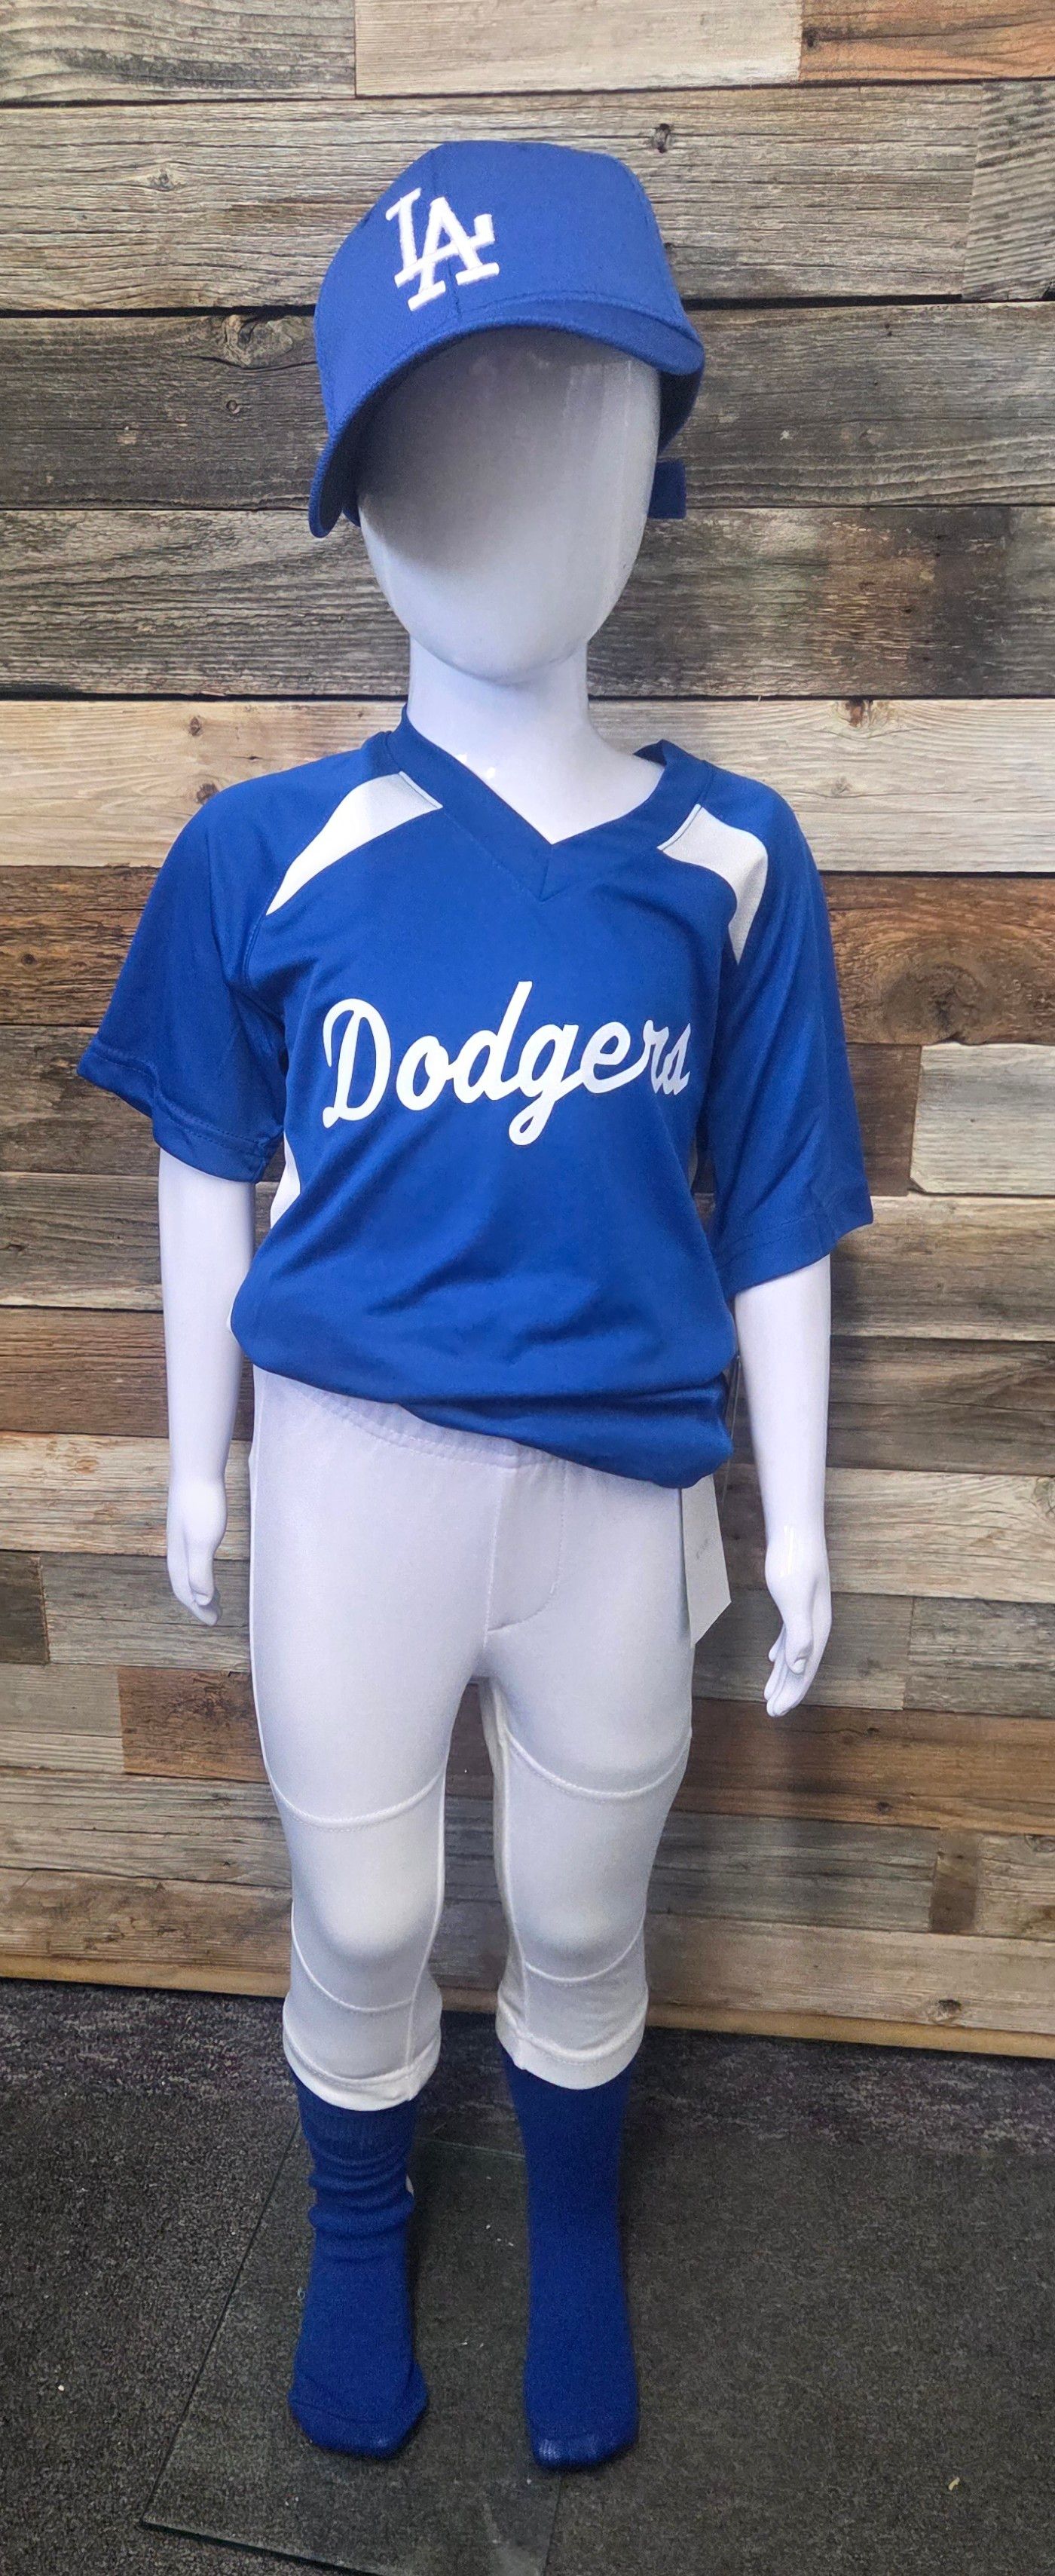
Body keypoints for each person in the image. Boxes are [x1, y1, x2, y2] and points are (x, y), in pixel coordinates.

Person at [78, 139, 873, 2472]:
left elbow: (781, 1206)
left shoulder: (735, 857)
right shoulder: (267, 849)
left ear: (657, 442)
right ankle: (351, 2228)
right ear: (360, 489)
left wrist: (797, 1514)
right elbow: (205, 1160)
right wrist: (195, 1448)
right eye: (439, 416)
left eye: (567, 391)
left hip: (627, 1485)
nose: (509, 460)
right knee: (356, 1900)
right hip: (350, 1470)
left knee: (578, 1898)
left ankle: (571, 2235)